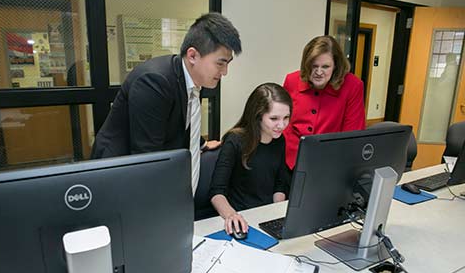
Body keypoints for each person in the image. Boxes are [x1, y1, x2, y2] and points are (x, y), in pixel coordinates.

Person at [91, 12, 241, 195]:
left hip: (147, 164)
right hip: (118, 172)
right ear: (193, 55)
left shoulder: (192, 78)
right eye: (220, 63)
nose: (225, 72)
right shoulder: (154, 82)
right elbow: (147, 156)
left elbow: (178, 118)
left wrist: (200, 143)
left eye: (228, 63)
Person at [209, 83, 292, 235]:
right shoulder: (235, 140)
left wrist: (277, 213)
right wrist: (231, 215)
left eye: (286, 117)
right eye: (274, 118)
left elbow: (279, 185)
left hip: (267, 217)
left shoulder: (279, 140)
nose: (282, 125)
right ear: (257, 116)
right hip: (241, 216)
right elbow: (216, 192)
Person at [282, 35, 366, 170]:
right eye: (313, 66)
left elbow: (352, 136)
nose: (319, 72)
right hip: (290, 162)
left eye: (325, 66)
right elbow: (284, 126)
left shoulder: (353, 86)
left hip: (330, 163)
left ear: (336, 66)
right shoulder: (292, 80)